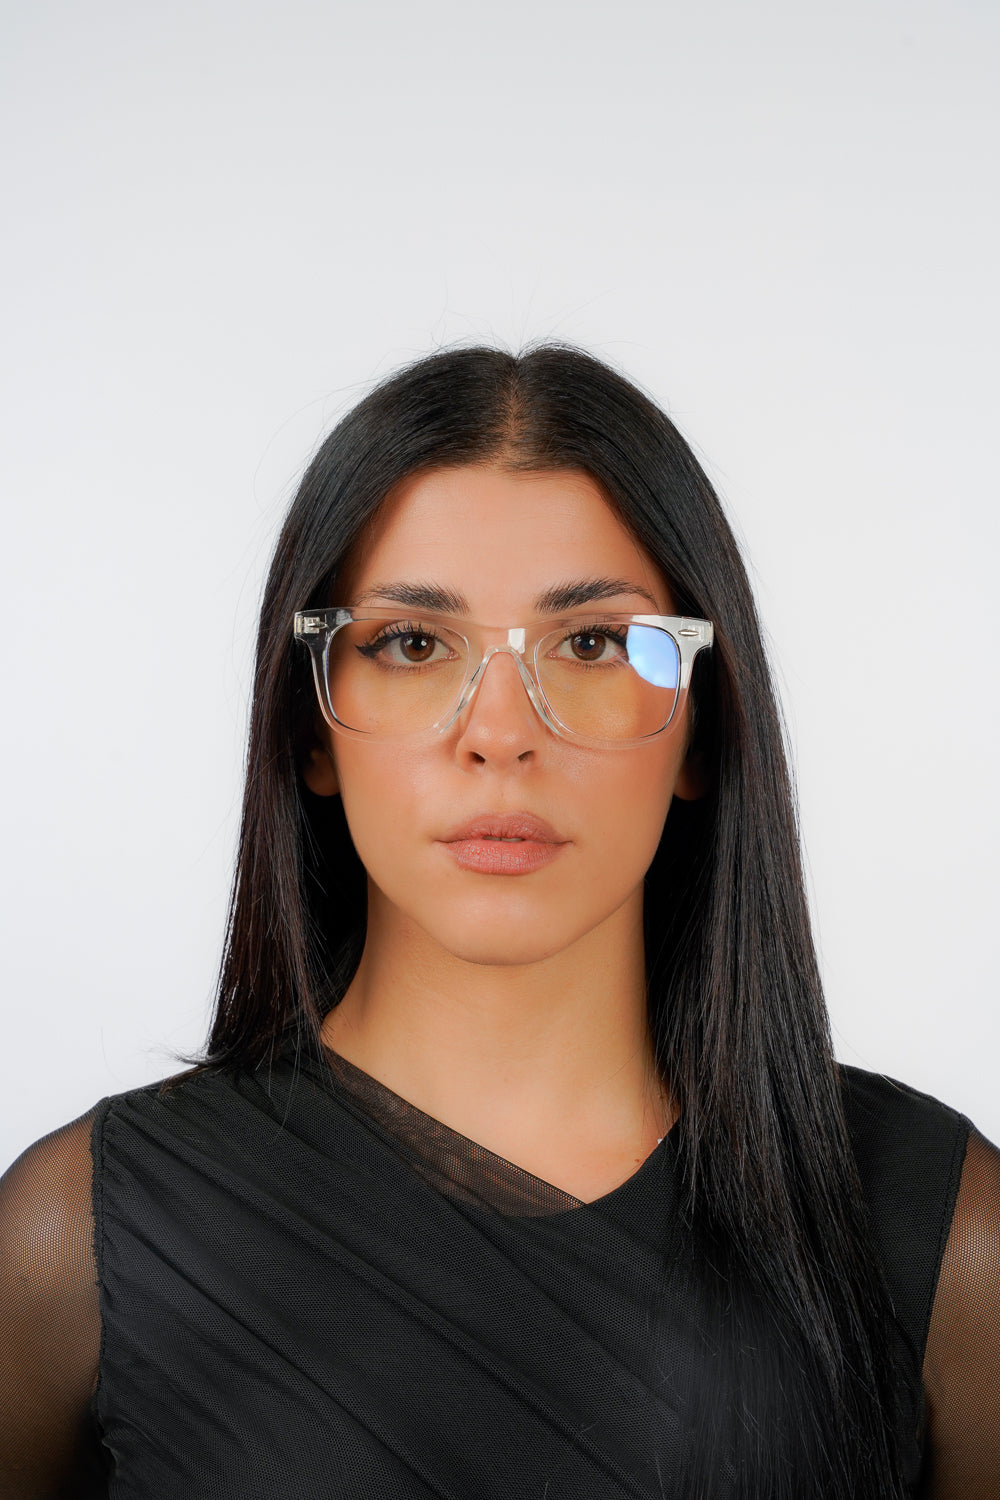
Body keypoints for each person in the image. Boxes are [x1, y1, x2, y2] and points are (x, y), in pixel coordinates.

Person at [1, 344, 997, 1499]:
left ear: (701, 725)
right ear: (311, 728)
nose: (501, 734)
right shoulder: (80, 1246)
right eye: (414, 645)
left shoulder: (938, 1238)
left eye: (591, 645)